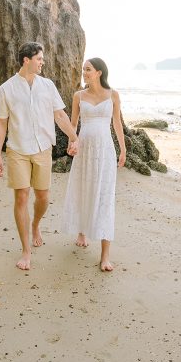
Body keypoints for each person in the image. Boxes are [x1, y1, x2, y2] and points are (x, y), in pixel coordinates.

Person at [0, 42, 79, 271]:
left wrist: (74, 137)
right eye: (39, 58)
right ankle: (25, 250)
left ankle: (35, 225)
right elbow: (1, 123)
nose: (42, 62)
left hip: (43, 149)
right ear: (26, 60)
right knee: (21, 197)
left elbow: (60, 115)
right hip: (18, 149)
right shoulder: (6, 89)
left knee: (43, 198)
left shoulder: (47, 86)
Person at [62, 57, 127, 272]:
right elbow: (73, 124)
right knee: (83, 190)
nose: (84, 73)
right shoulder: (79, 96)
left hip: (105, 151)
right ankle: (82, 230)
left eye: (88, 69)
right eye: (83, 70)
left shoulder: (113, 95)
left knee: (105, 196)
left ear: (99, 72)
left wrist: (123, 149)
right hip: (84, 150)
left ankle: (105, 255)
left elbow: (117, 123)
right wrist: (72, 142)